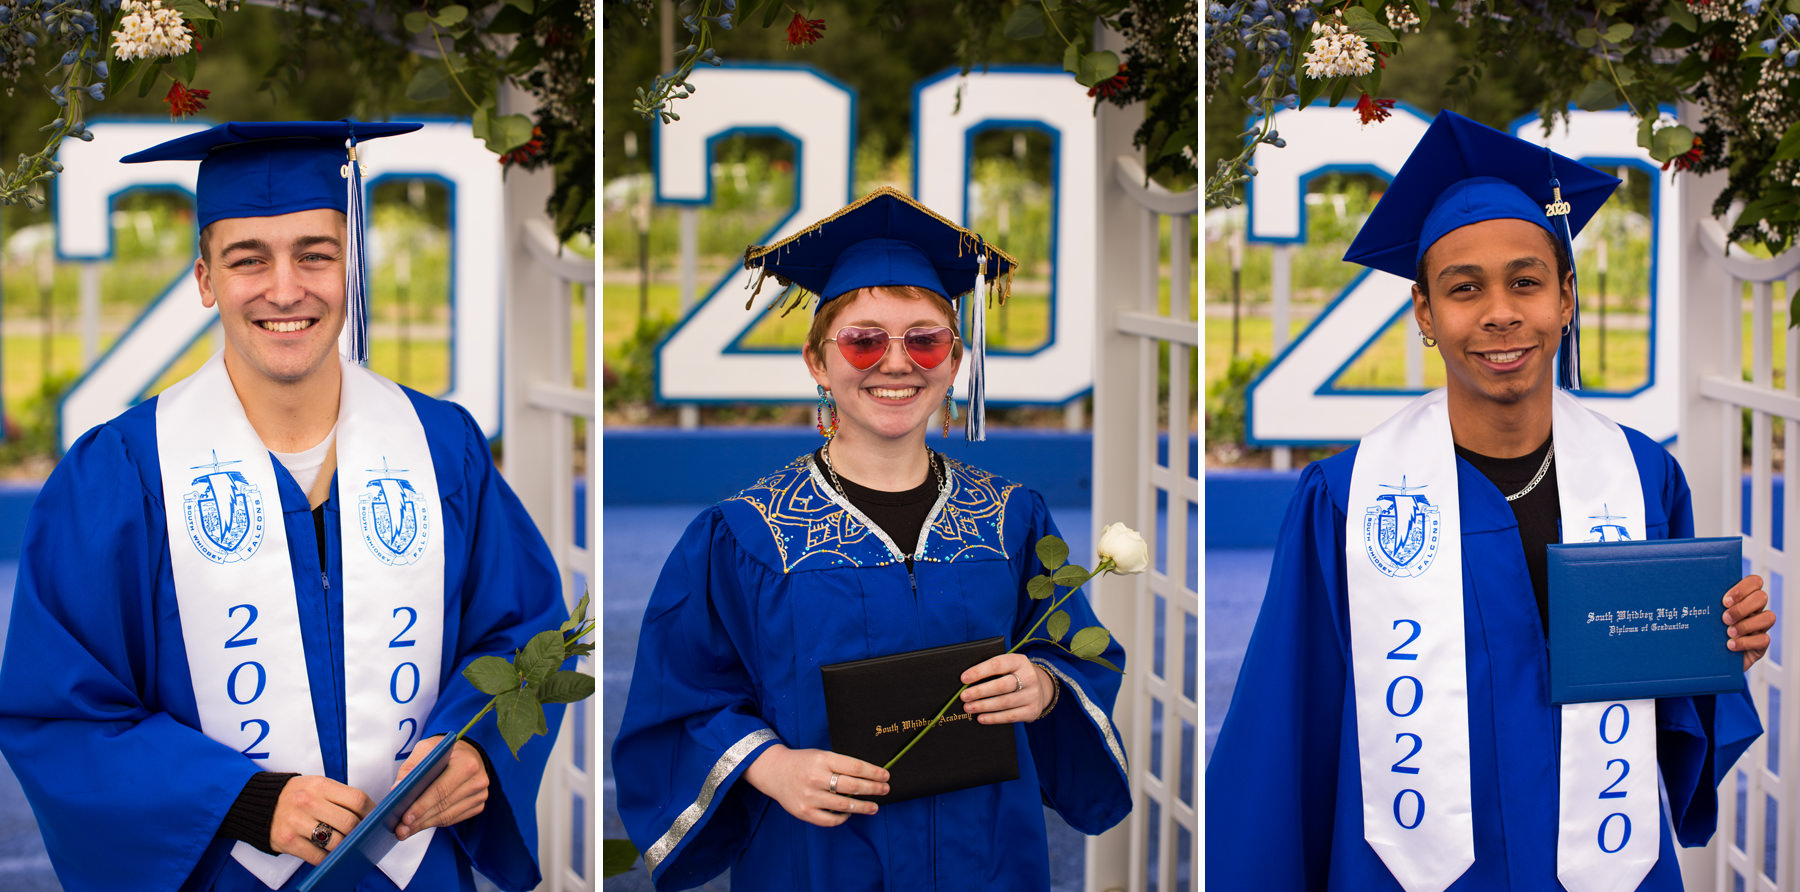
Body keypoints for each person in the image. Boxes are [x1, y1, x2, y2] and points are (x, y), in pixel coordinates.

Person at [1206, 110, 1776, 892]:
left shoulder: (1641, 478)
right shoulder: (1346, 501)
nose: (1500, 311)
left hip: (1599, 857)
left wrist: (1718, 647)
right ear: (1425, 314)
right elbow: (1286, 729)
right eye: (1464, 288)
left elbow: (1672, 701)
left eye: (1527, 281)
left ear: (1566, 300)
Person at [0, 122, 566, 892]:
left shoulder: (440, 449)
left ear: (348, 267)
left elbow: (521, 629)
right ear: (204, 280)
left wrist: (478, 748)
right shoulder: (124, 474)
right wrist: (241, 799)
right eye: (247, 260)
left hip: (413, 869)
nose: (286, 288)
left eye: (314, 254)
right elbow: (63, 712)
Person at [611, 187, 1132, 891]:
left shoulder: (1012, 521)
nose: (897, 363)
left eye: (925, 338)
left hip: (988, 860)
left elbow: (1072, 648)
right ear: (818, 364)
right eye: (862, 339)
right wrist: (771, 766)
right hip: (818, 860)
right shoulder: (746, 535)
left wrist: (1042, 685)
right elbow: (681, 698)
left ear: (953, 363)